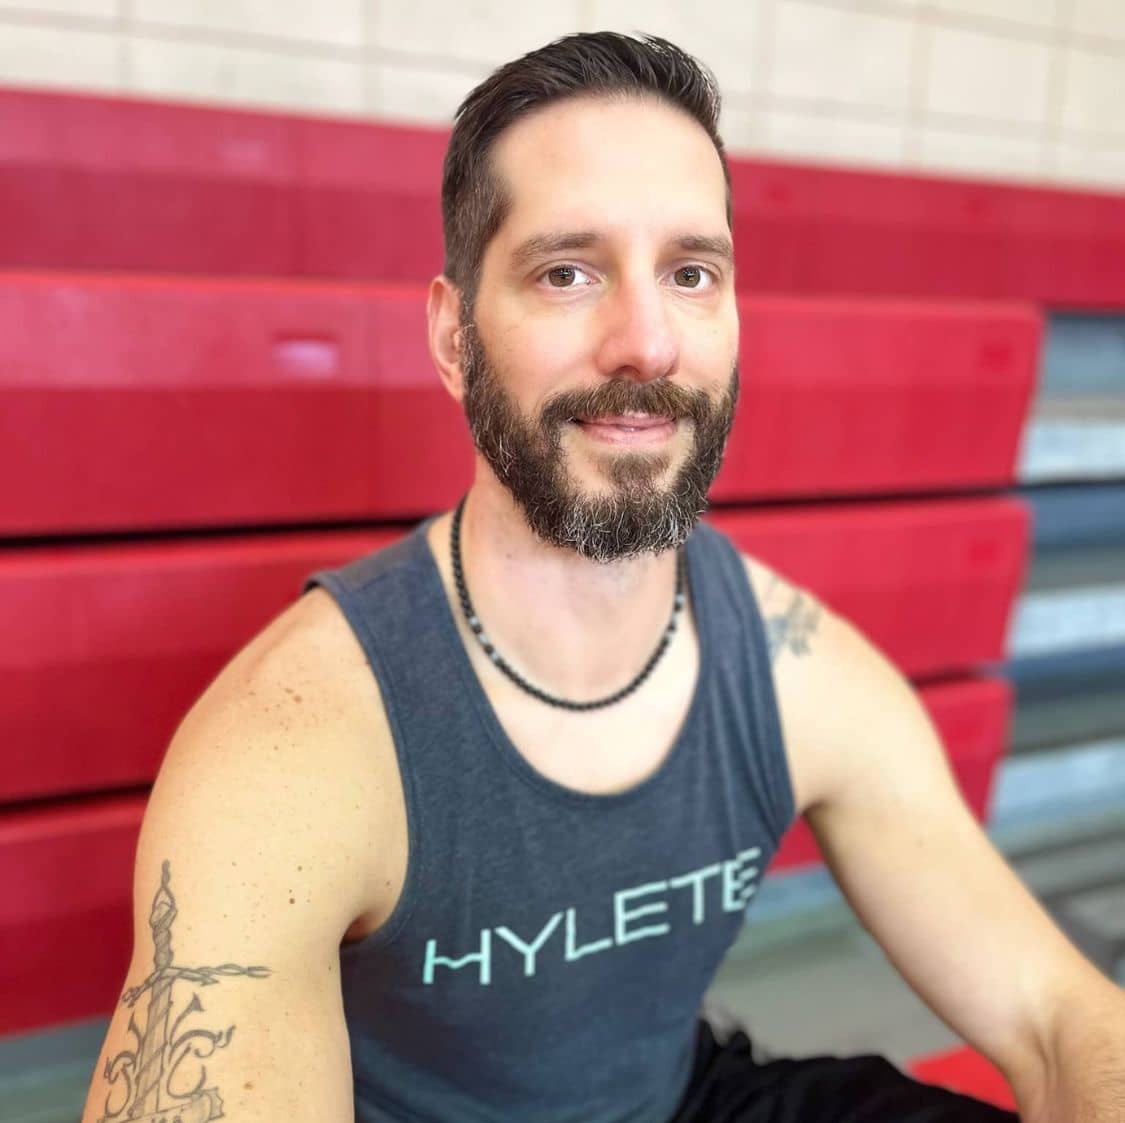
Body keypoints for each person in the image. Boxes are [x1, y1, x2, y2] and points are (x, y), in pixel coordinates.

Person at [80, 32, 1123, 1123]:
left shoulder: (793, 668)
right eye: (566, 272)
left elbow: (1057, 1017)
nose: (647, 342)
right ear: (453, 337)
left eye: (691, 272)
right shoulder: (291, 747)